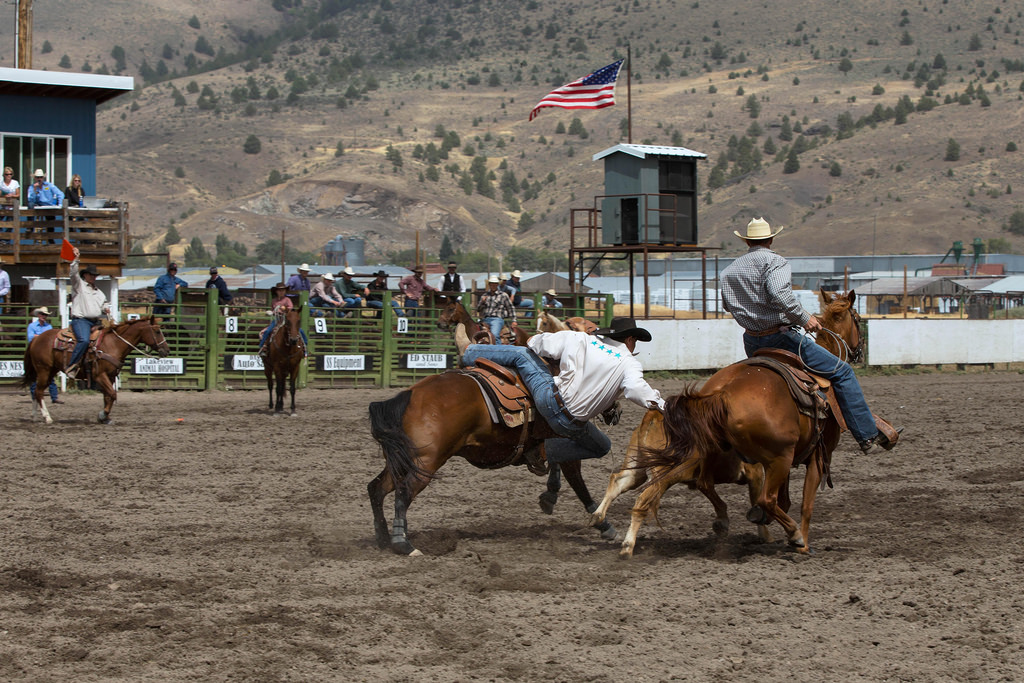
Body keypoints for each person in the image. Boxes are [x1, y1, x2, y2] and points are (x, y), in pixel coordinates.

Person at [720, 217, 901, 455]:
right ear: (771, 239)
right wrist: (804, 318)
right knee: (842, 372)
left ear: (747, 242)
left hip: (752, 341)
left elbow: (727, 305)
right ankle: (867, 436)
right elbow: (780, 295)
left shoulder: (729, 271)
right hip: (782, 338)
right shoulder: (775, 261)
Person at [462, 317, 665, 464]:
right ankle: (542, 453)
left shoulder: (581, 339)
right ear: (629, 340)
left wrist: (536, 342)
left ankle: (469, 351)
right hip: (571, 425)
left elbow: (536, 344)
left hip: (550, 402)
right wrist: (665, 405)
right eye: (635, 341)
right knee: (602, 446)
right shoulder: (630, 364)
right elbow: (637, 390)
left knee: (522, 355)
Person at [66, 247, 111, 380]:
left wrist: (106, 308)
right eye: (91, 275)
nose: (93, 277)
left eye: (94, 275)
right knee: (84, 340)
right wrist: (75, 260)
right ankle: (72, 365)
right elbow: (73, 275)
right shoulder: (78, 286)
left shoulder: (99, 292)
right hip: (81, 320)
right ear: (85, 275)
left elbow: (104, 303)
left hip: (95, 321)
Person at [258, 283, 306, 357]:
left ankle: (304, 348)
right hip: (277, 319)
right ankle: (263, 347)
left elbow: (291, 308)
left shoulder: (287, 300)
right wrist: (272, 312)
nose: (281, 292)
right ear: (277, 291)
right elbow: (273, 309)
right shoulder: (274, 301)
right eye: (280, 290)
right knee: (267, 331)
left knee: (300, 331)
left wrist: (285, 309)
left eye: (283, 290)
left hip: (287, 319)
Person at [27, 307, 62, 404]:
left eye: (45, 315)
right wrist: (43, 338)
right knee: (36, 375)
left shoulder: (48, 327)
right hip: (37, 352)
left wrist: (39, 337)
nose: (44, 316)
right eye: (42, 314)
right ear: (38, 315)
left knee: (50, 374)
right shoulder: (32, 326)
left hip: (47, 352)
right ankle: (35, 396)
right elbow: (30, 338)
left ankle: (54, 397)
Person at [476, 275, 517, 342]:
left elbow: (510, 308)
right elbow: (478, 309)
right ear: (489, 284)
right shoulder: (485, 296)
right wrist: (482, 302)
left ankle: (498, 350)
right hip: (485, 319)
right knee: (477, 335)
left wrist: (514, 320)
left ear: (497, 284)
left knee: (494, 335)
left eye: (495, 284)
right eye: (492, 284)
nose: (493, 285)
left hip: (497, 319)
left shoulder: (503, 295)